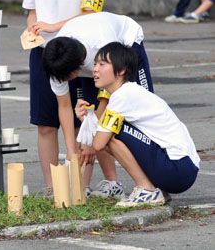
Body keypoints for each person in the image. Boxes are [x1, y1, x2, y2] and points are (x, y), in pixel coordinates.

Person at [22, 0, 104, 196]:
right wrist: (32, 28)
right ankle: (51, 186)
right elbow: (32, 10)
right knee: (46, 123)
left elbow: (92, 11)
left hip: (78, 56)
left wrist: (54, 26)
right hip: (44, 54)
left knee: (86, 118)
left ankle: (82, 185)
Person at [42, 11, 153, 198]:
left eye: (67, 78)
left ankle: (152, 185)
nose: (65, 81)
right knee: (92, 119)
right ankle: (113, 183)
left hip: (127, 43)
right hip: (91, 56)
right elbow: (64, 106)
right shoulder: (57, 59)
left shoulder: (101, 44)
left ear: (76, 69)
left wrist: (93, 143)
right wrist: (71, 149)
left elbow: (109, 98)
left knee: (141, 114)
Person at [75, 42, 199, 207]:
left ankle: (146, 190)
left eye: (102, 64)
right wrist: (86, 119)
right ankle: (151, 188)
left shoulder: (123, 96)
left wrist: (88, 123)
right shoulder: (128, 92)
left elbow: (98, 143)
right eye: (95, 63)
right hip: (182, 169)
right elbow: (99, 132)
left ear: (121, 71)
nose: (95, 69)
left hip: (177, 169)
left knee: (111, 134)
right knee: (109, 131)